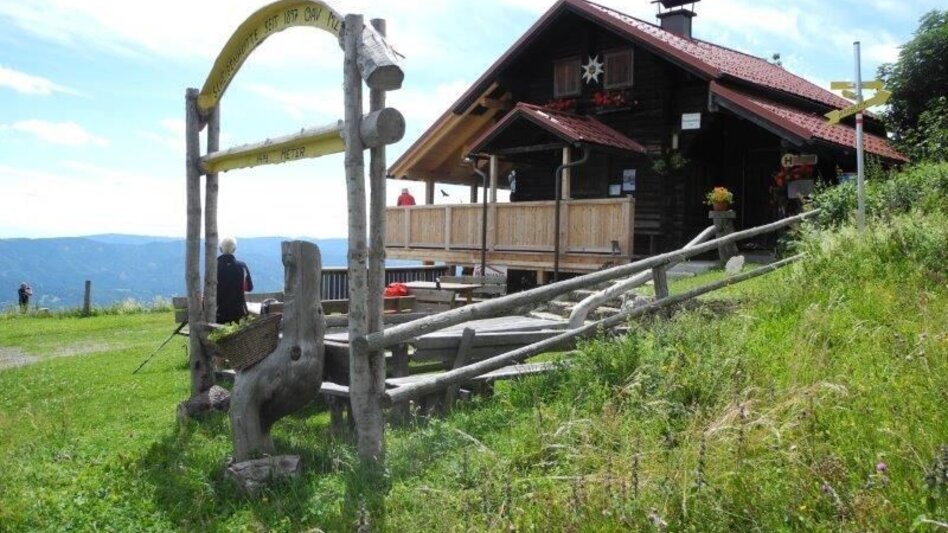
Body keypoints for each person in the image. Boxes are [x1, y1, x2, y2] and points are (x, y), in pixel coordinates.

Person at [216, 237, 254, 324]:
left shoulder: (213, 266)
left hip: (218, 313)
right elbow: (249, 288)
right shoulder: (242, 266)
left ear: (220, 249)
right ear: (234, 249)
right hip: (238, 313)